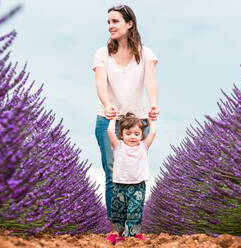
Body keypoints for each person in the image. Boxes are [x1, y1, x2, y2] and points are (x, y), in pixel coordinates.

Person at [92, 4, 160, 236]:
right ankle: (115, 231)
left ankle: (133, 230)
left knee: (134, 174)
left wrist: (154, 104)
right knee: (113, 174)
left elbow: (150, 81)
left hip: (138, 123)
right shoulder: (102, 54)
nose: (110, 26)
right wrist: (107, 103)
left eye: (115, 21)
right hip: (108, 120)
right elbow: (101, 83)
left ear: (129, 24)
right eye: (108, 22)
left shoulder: (146, 53)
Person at [106, 112, 156, 244]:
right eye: (128, 134)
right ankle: (117, 233)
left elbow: (152, 133)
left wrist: (151, 121)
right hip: (120, 185)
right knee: (118, 210)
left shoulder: (143, 147)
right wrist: (112, 119)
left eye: (136, 134)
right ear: (121, 134)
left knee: (135, 209)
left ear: (141, 135)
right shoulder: (118, 146)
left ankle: (134, 233)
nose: (132, 137)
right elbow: (110, 132)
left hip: (138, 185)